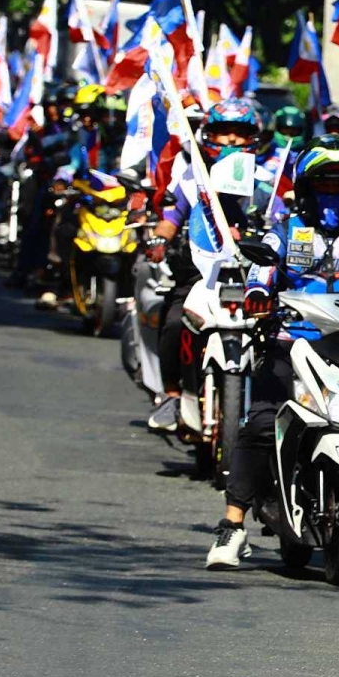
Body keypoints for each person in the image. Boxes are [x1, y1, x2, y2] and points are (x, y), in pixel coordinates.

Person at [205, 134, 339, 568]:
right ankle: (232, 524)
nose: (332, 193)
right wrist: (259, 291)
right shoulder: (285, 232)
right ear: (305, 189)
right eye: (324, 184)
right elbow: (263, 268)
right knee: (262, 421)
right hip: (291, 346)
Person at [143, 98, 264, 433]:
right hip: (201, 273)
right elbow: (170, 218)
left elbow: (284, 218)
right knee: (173, 322)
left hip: (254, 272)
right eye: (223, 131)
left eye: (239, 133)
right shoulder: (191, 176)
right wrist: (159, 240)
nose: (231, 140)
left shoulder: (269, 178)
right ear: (208, 134)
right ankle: (171, 395)